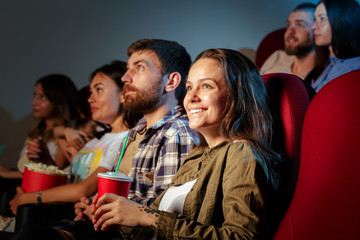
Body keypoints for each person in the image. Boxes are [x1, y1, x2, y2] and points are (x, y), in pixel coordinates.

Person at [91, 49, 283, 239]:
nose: (190, 98)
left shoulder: (242, 153)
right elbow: (152, 225)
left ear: (237, 95)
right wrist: (113, 216)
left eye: (206, 86)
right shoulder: (197, 155)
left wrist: (146, 215)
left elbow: (241, 236)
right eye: (190, 87)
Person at [74, 39, 199, 224]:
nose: (125, 77)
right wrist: (96, 206)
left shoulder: (176, 132)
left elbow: (164, 216)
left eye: (139, 68)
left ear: (171, 81)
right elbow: (125, 197)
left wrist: (111, 210)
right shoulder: (138, 130)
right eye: (128, 68)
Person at [9, 60, 142, 215]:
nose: (90, 99)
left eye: (99, 90)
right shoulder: (98, 138)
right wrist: (46, 161)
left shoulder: (124, 140)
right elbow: (72, 183)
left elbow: (84, 189)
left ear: (123, 95)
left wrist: (30, 198)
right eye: (91, 92)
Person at [0, 74, 79, 179]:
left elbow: (55, 172)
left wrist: (9, 173)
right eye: (35, 96)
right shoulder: (37, 131)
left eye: (42, 97)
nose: (33, 102)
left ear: (58, 101)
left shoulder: (68, 132)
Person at [261, 3, 327, 83]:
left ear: (316, 29)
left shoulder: (323, 78)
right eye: (288, 25)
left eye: (300, 25)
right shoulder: (278, 56)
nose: (290, 31)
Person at [310, 0, 360, 92]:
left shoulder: (355, 70)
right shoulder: (322, 65)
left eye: (322, 19)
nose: (313, 26)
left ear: (344, 21)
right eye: (315, 19)